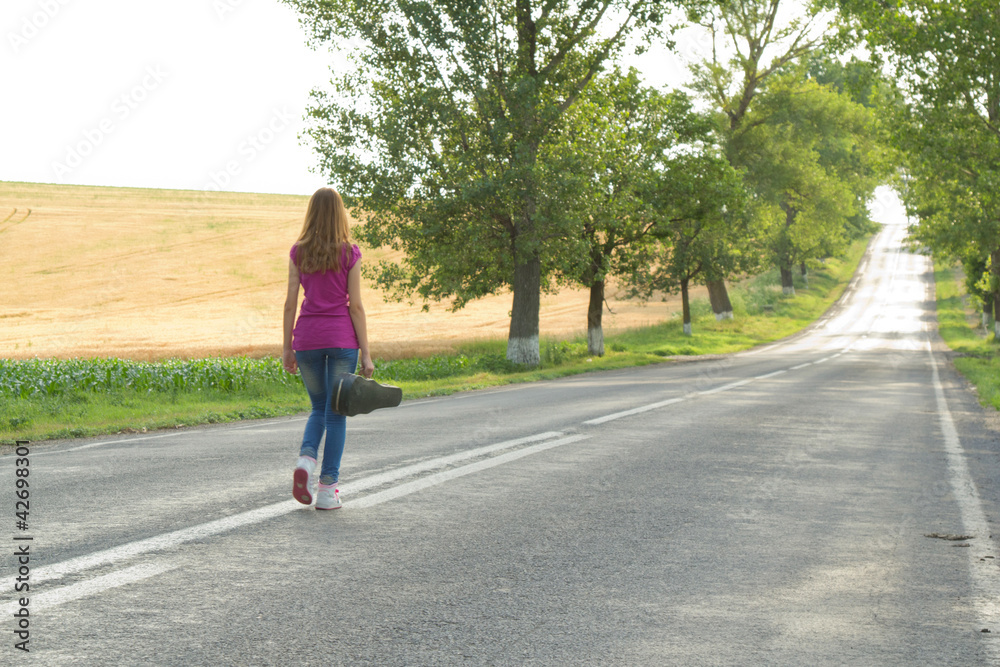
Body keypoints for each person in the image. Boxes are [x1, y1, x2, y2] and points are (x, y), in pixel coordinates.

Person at [282, 187, 374, 510]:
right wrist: (367, 353)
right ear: (340, 214)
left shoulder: (298, 252)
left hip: (306, 340)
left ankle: (306, 462)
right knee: (336, 414)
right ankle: (327, 489)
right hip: (340, 341)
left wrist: (287, 348)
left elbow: (290, 303)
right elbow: (357, 307)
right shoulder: (350, 254)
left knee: (318, 406)